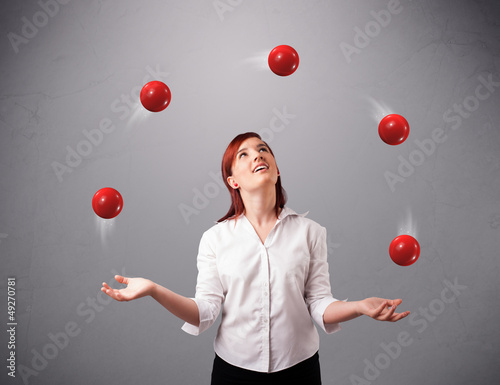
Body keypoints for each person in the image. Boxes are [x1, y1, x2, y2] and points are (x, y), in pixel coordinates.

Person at [101, 132, 410, 385]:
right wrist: (154, 289)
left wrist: (359, 307)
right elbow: (204, 313)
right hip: (233, 373)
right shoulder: (215, 239)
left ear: (276, 170)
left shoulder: (311, 233)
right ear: (232, 180)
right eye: (243, 155)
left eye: (263, 150)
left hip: (300, 371)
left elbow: (319, 303)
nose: (257, 155)